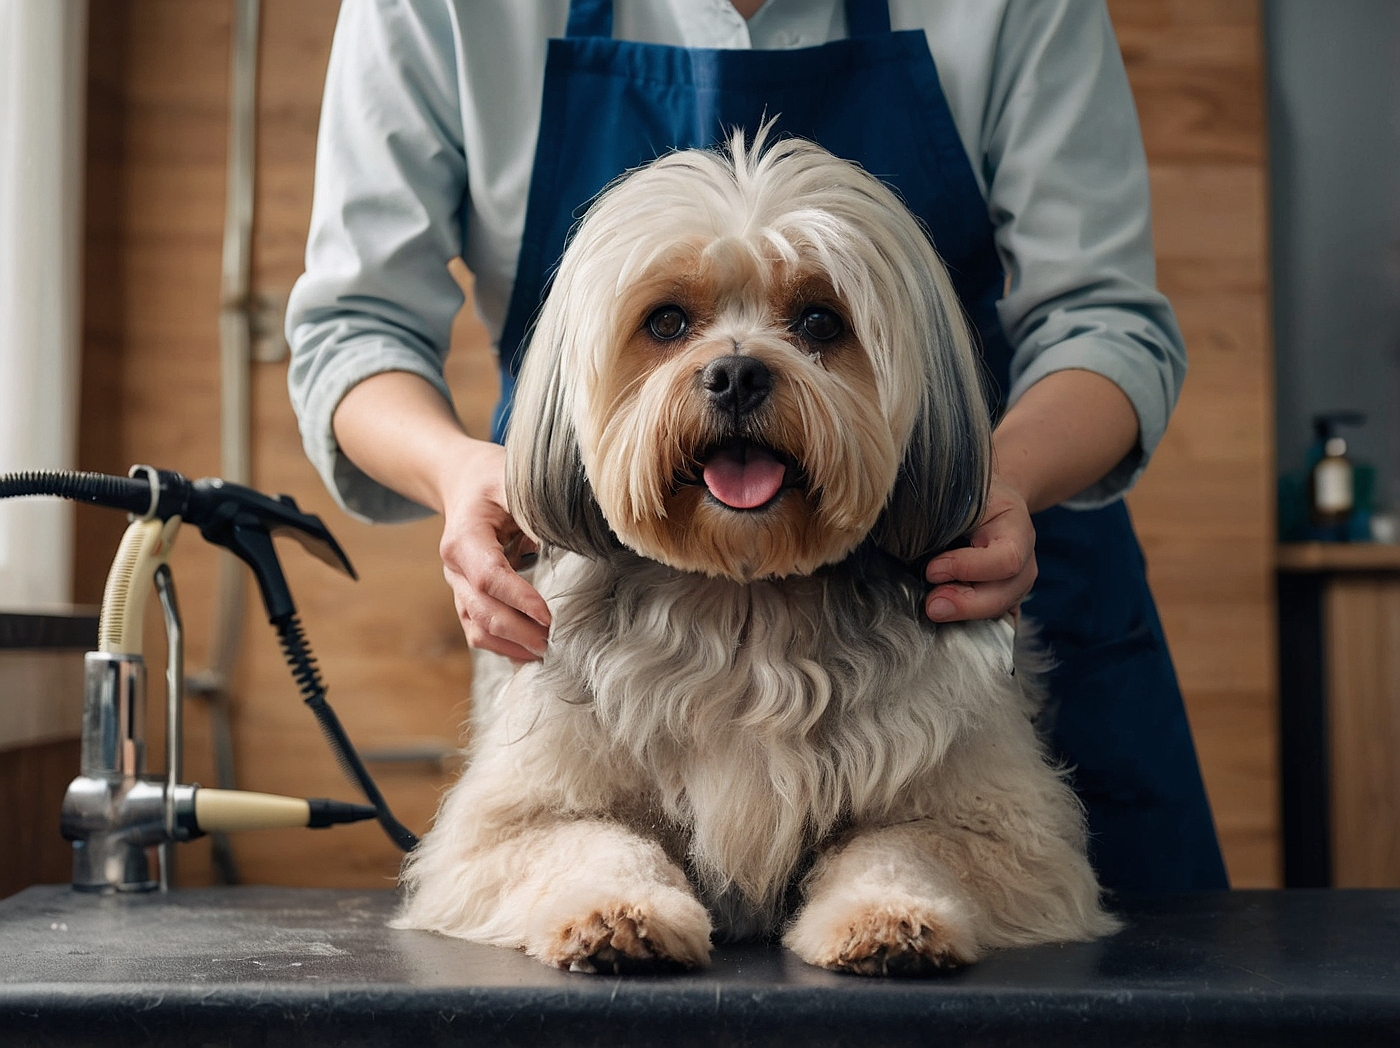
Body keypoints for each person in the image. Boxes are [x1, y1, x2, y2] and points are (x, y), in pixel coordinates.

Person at [286, 0, 1229, 892]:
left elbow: (1102, 319)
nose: (736, 369)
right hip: (601, 593)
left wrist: (992, 483)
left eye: (817, 320)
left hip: (975, 571)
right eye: (667, 321)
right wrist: (461, 471)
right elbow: (354, 328)